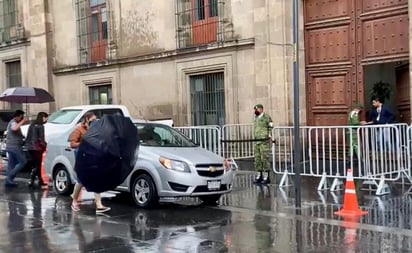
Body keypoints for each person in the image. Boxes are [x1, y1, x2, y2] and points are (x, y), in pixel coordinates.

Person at [70, 112, 110, 214]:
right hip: (82, 157)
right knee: (81, 181)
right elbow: (72, 144)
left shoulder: (96, 129)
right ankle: (74, 200)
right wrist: (84, 143)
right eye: (92, 120)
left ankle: (99, 205)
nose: (94, 121)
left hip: (93, 156)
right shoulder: (79, 129)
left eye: (95, 120)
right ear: (87, 119)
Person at [25, 112, 49, 189]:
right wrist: (45, 145)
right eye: (46, 117)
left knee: (35, 164)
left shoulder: (31, 125)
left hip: (30, 147)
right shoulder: (41, 126)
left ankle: (39, 180)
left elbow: (29, 137)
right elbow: (41, 139)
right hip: (37, 148)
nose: (46, 119)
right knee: (37, 165)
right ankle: (31, 180)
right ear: (42, 117)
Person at [5, 109, 28, 187]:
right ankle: (9, 177)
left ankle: (9, 181)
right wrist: (23, 121)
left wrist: (22, 137)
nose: (22, 118)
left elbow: (16, 132)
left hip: (10, 146)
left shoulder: (15, 122)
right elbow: (14, 128)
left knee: (11, 164)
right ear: (18, 116)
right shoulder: (13, 122)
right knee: (23, 162)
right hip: (14, 147)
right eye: (22, 117)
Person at [253, 104, 273, 184]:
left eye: (256, 109)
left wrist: (269, 135)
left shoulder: (267, 117)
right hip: (257, 141)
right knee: (257, 159)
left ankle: (266, 176)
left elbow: (271, 127)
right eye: (255, 109)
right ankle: (259, 176)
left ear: (261, 109)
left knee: (265, 158)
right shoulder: (255, 118)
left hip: (264, 141)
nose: (255, 111)